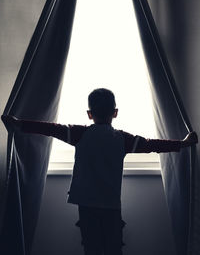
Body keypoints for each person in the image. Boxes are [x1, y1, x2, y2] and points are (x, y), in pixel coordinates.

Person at [1, 88, 198, 255]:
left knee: (92, 247)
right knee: (113, 247)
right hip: (110, 204)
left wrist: (19, 124)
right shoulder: (122, 139)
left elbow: (51, 129)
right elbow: (152, 145)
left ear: (89, 113)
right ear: (115, 112)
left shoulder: (80, 134)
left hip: (86, 203)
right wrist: (183, 143)